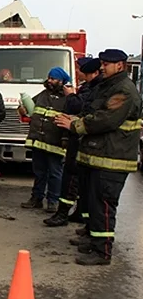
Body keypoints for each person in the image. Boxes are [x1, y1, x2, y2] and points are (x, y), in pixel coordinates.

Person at [56, 49, 141, 265]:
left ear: (120, 65)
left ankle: (102, 252)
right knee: (93, 203)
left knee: (103, 204)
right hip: (99, 156)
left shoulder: (124, 90)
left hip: (112, 158)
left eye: (106, 64)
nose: (101, 67)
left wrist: (74, 125)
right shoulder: (109, 86)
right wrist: (76, 118)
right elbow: (93, 112)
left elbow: (106, 120)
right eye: (102, 63)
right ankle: (95, 241)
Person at [44, 57, 102, 227]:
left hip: (82, 139)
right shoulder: (89, 88)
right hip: (78, 137)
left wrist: (71, 97)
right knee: (78, 178)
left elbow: (82, 110)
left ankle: (62, 213)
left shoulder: (93, 89)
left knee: (70, 177)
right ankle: (80, 214)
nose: (76, 72)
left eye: (80, 70)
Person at [20, 67, 71, 213]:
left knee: (55, 173)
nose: (49, 81)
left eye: (53, 79)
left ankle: (53, 201)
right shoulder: (43, 94)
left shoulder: (67, 99)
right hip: (38, 141)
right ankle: (36, 199)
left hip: (55, 142)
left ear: (61, 81)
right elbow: (31, 108)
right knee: (39, 172)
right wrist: (22, 109)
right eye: (49, 78)